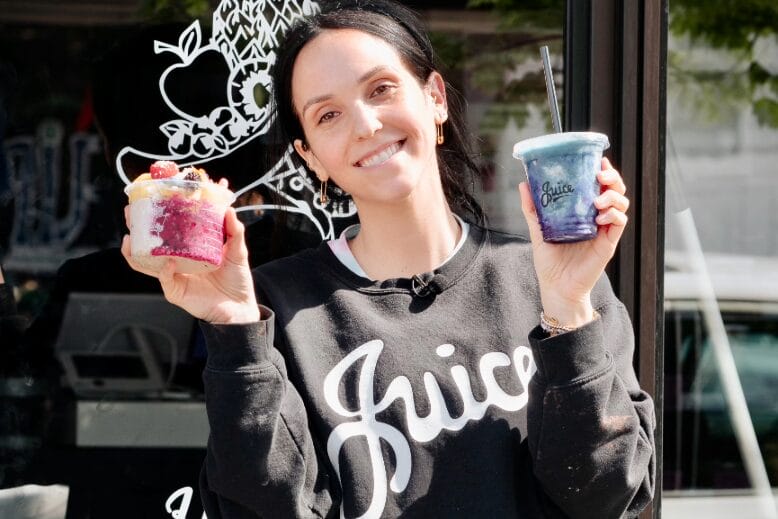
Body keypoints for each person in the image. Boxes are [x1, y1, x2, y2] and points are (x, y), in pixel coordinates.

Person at [122, 0, 656, 517]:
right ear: (311, 157)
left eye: (381, 89)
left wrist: (566, 307)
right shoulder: (276, 310)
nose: (366, 125)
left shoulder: (551, 283)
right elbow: (265, 507)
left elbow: (605, 496)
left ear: (436, 98)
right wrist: (236, 327)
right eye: (327, 114)